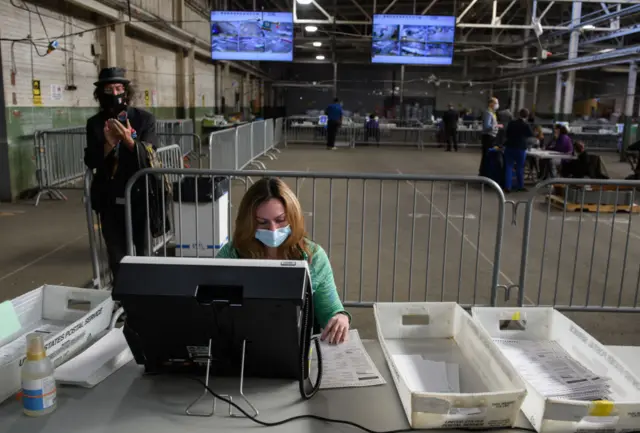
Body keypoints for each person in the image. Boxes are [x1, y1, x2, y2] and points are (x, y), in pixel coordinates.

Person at [216, 177, 350, 345]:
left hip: (297, 348)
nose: (273, 230)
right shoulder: (231, 254)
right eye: (262, 223)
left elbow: (331, 310)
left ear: (293, 217)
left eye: (281, 220)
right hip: (241, 347)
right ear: (248, 223)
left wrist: (340, 318)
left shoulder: (313, 256)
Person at [84, 67, 157, 283]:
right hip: (109, 199)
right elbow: (91, 160)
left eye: (118, 88)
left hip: (140, 196)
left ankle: (147, 293)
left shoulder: (144, 119)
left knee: (143, 251)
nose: (114, 94)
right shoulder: (95, 124)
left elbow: (150, 153)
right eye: (109, 89)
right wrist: (108, 144)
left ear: (126, 91)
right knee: (117, 254)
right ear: (101, 93)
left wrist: (128, 141)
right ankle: (123, 298)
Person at [503, 108, 533, 193]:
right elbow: (530, 134)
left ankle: (507, 187)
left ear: (519, 114)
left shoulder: (511, 123)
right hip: (520, 148)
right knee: (520, 167)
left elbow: (507, 134)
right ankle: (520, 186)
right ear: (527, 116)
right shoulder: (526, 125)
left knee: (509, 167)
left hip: (509, 147)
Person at [479, 97, 499, 176]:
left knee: (489, 155)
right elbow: (486, 126)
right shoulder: (488, 113)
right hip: (488, 137)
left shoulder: (493, 113)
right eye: (496, 103)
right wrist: (496, 126)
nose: (497, 105)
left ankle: (486, 173)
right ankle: (484, 173)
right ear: (491, 104)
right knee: (487, 155)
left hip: (492, 136)